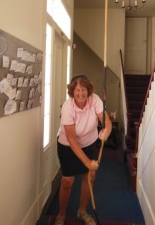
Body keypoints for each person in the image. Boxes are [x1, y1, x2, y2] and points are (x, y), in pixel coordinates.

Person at [55, 74, 112, 225]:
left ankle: (82, 212)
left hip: (88, 143)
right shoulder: (68, 107)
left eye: (84, 90)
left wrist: (106, 131)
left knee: (90, 177)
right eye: (77, 90)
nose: (81, 93)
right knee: (68, 180)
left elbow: (106, 121)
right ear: (72, 92)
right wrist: (87, 162)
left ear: (89, 91)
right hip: (68, 146)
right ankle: (61, 214)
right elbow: (72, 139)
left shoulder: (95, 100)